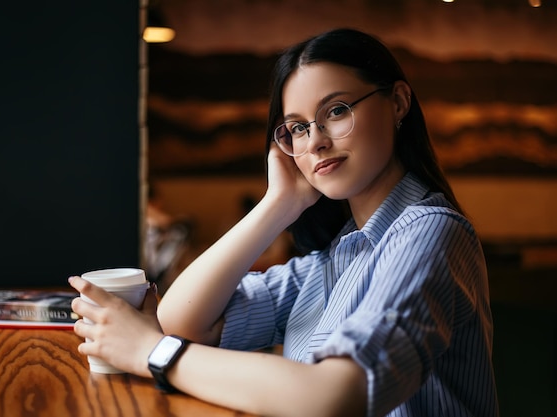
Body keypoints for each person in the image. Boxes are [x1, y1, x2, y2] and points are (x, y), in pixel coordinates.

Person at [69, 28, 499, 417]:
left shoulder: (431, 232)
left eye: (337, 110)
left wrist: (153, 353)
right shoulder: (337, 254)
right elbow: (180, 321)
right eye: (296, 128)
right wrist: (278, 203)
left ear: (399, 102)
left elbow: (333, 396)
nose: (315, 142)